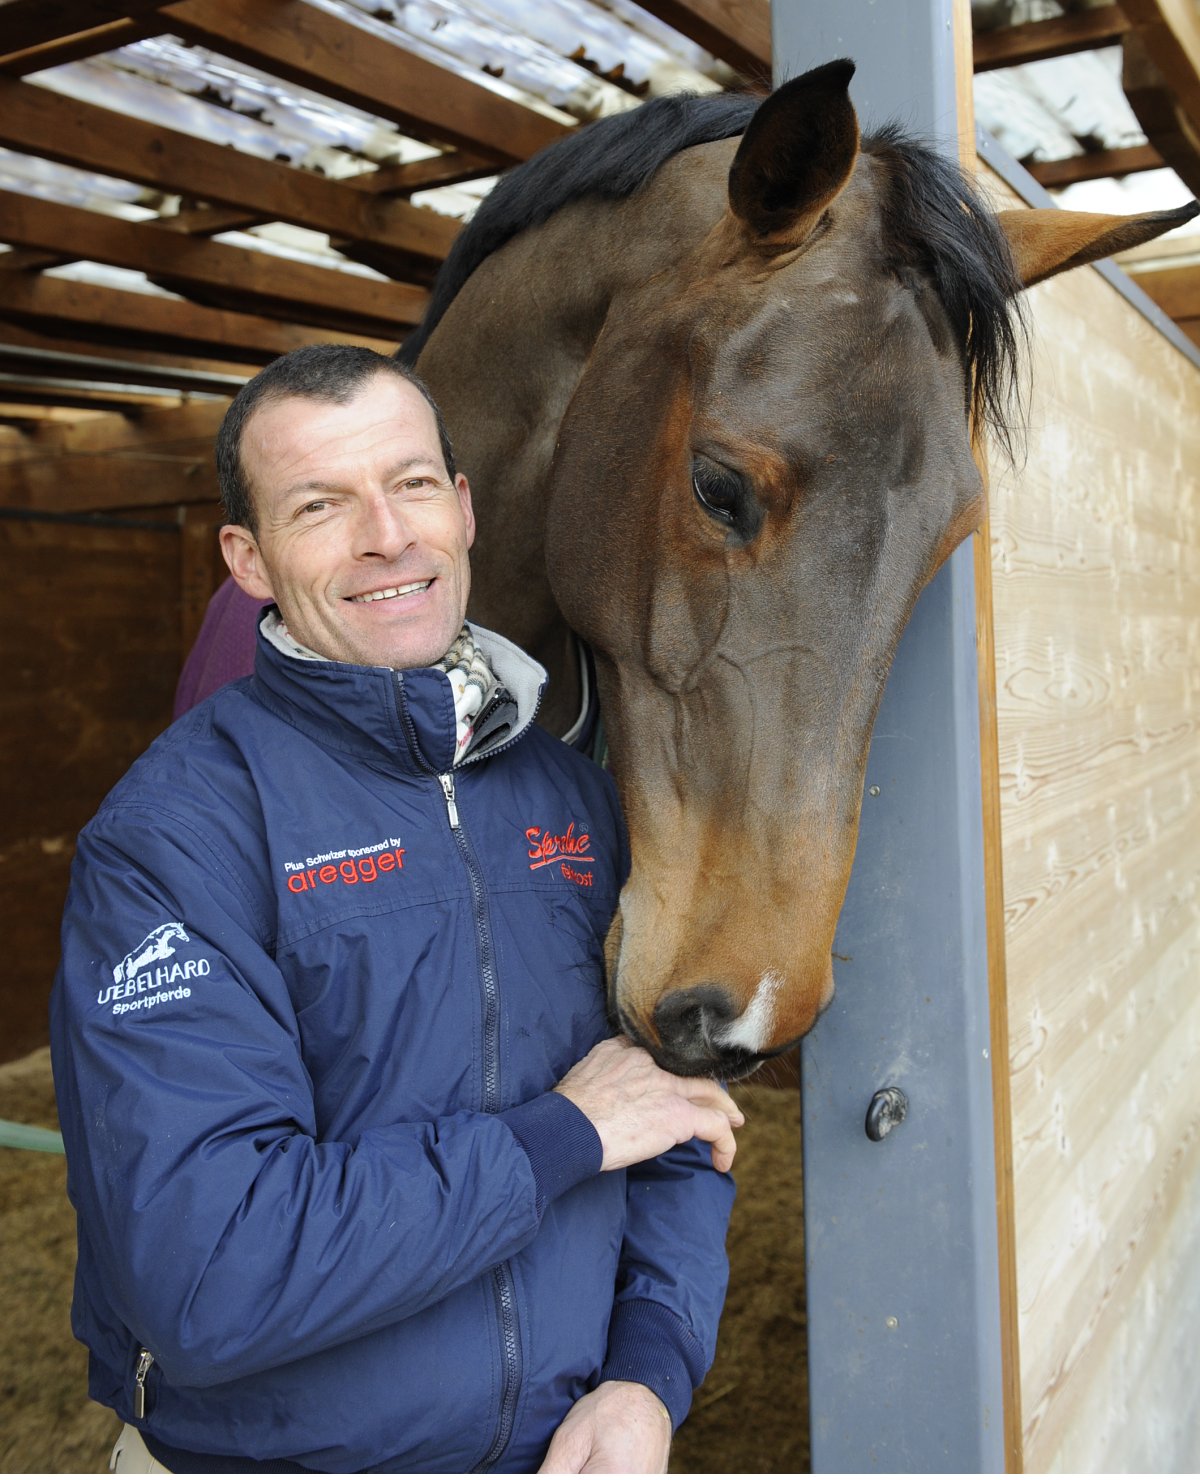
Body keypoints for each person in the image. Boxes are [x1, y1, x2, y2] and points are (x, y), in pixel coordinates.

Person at [50, 344, 741, 1475]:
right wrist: (560, 1135)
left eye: (412, 483)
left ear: (463, 510)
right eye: (321, 505)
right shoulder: (174, 839)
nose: (387, 535)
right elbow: (211, 1269)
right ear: (251, 560)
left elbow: (676, 1129)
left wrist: (647, 1375)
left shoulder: (573, 798)